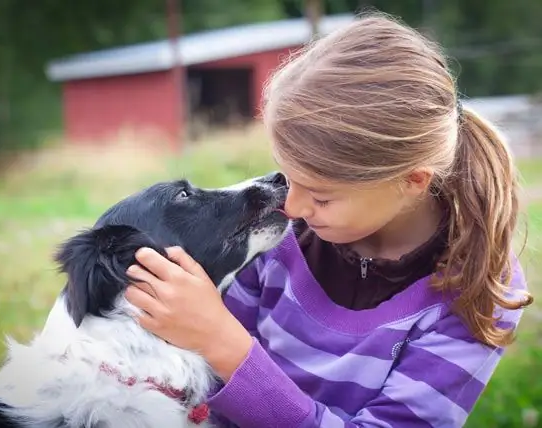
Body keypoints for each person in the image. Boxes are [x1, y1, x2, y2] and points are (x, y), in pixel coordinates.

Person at [124, 12, 533, 428]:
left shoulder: (476, 290)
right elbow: (189, 386)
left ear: (412, 180)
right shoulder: (273, 242)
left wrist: (223, 345)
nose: (292, 208)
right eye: (287, 177)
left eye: (321, 195)